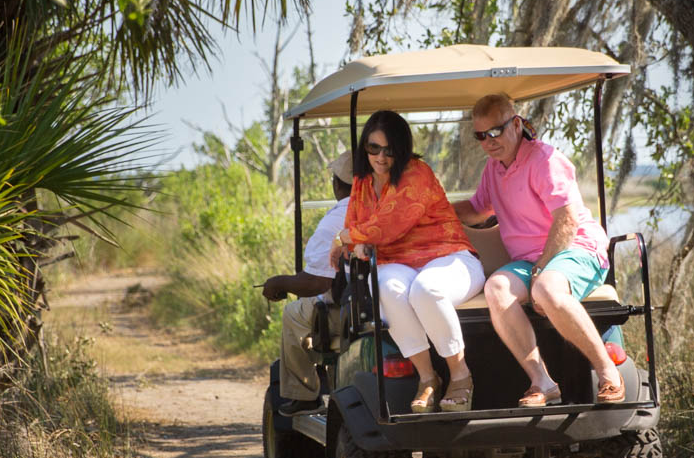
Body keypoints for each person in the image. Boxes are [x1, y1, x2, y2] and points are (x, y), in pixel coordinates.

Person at [454, 93, 624, 407]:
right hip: (531, 260)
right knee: (496, 288)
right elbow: (478, 209)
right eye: (481, 136)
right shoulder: (494, 169)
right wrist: (433, 210)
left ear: (516, 124)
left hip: (577, 249)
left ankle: (607, 371)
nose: (489, 142)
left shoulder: (545, 159)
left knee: (546, 289)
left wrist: (541, 269)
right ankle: (542, 382)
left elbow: (567, 220)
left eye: (495, 132)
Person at [328, 110, 483, 412]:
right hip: (397, 262)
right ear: (365, 148)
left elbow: (385, 226)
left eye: (390, 150)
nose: (381, 157)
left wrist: (348, 239)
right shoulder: (361, 181)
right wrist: (353, 242)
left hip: (450, 258)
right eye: (374, 148)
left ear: (403, 150)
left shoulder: (416, 173)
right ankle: (427, 378)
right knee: (387, 287)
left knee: (425, 289)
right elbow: (357, 228)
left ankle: (460, 375)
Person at [261, 151, 355, 414]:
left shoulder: (336, 220)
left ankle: (304, 394)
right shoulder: (384, 204)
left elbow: (316, 282)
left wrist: (279, 283)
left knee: (293, 312)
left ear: (337, 183)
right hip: (381, 304)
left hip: (351, 313)